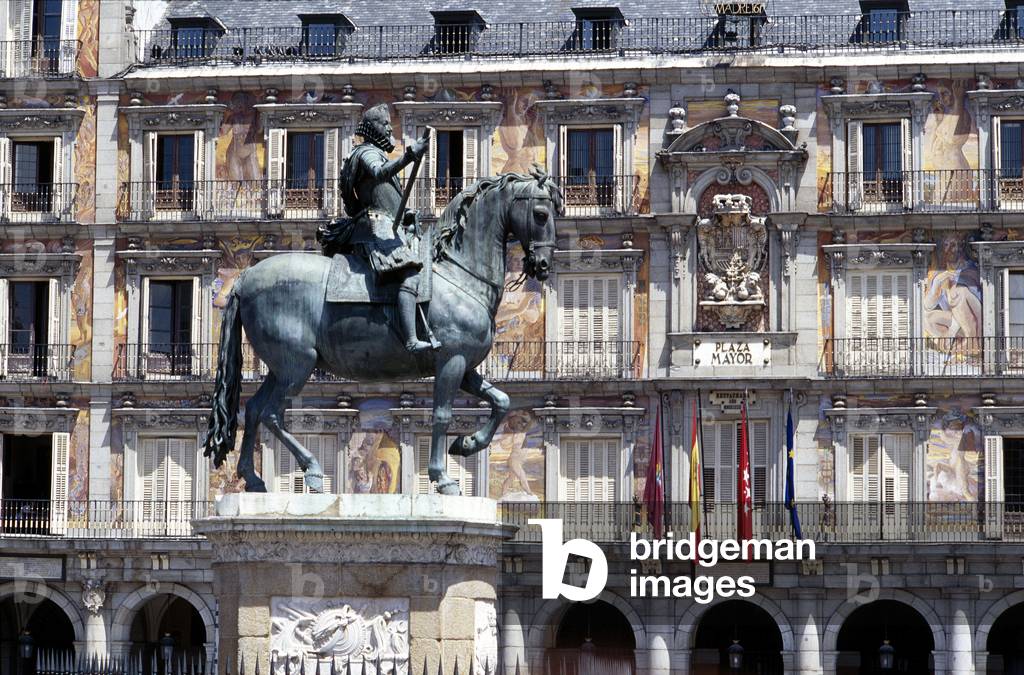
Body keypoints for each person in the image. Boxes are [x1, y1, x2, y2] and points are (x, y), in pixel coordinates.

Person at [321, 103, 438, 353]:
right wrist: (409, 155)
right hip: (375, 226)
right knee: (409, 272)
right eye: (384, 125)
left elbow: (387, 196)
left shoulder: (375, 152)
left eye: (389, 125)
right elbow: (379, 174)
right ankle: (410, 339)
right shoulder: (366, 153)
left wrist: (405, 214)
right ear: (372, 129)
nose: (389, 130)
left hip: (387, 223)